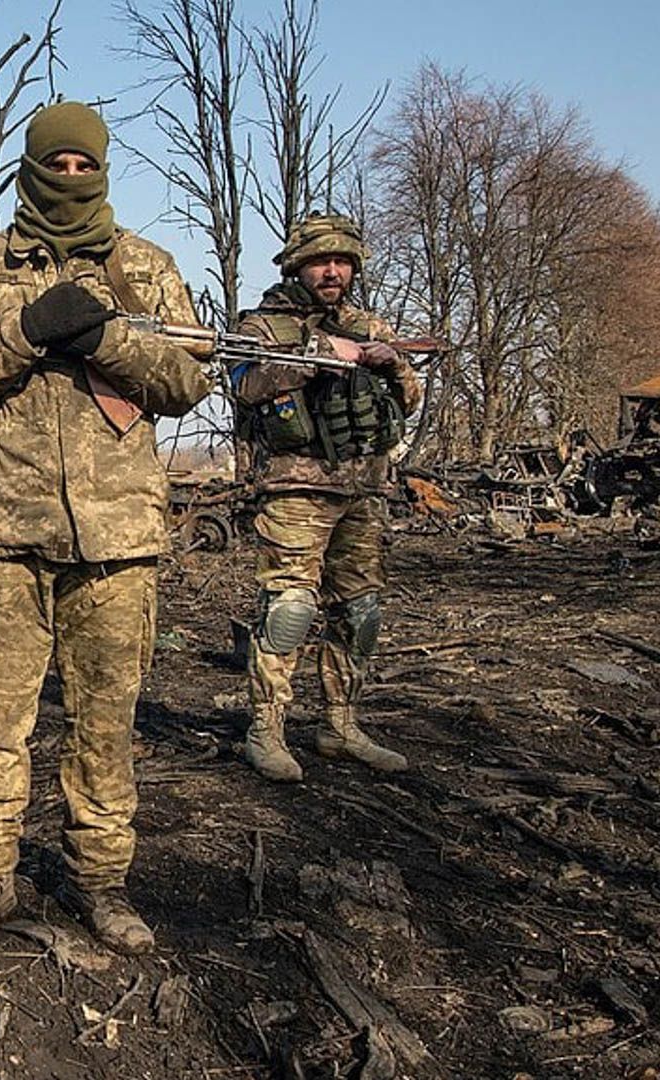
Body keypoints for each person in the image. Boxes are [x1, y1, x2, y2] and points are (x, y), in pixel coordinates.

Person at [0, 101, 210, 956]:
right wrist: (26, 331)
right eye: (56, 163)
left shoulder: (147, 268)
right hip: (4, 533)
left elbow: (188, 381)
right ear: (31, 169)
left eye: (84, 164)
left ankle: (99, 885)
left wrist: (109, 337)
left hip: (118, 543)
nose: (70, 177)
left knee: (103, 729)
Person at [231, 213, 424, 783]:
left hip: (364, 489)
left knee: (361, 612)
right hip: (296, 491)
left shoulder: (370, 324)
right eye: (322, 261)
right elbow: (243, 386)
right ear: (299, 266)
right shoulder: (262, 326)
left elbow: (408, 399)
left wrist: (392, 366)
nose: (333, 271)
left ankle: (340, 725)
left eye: (342, 262)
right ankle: (265, 730)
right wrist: (317, 355)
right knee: (289, 608)